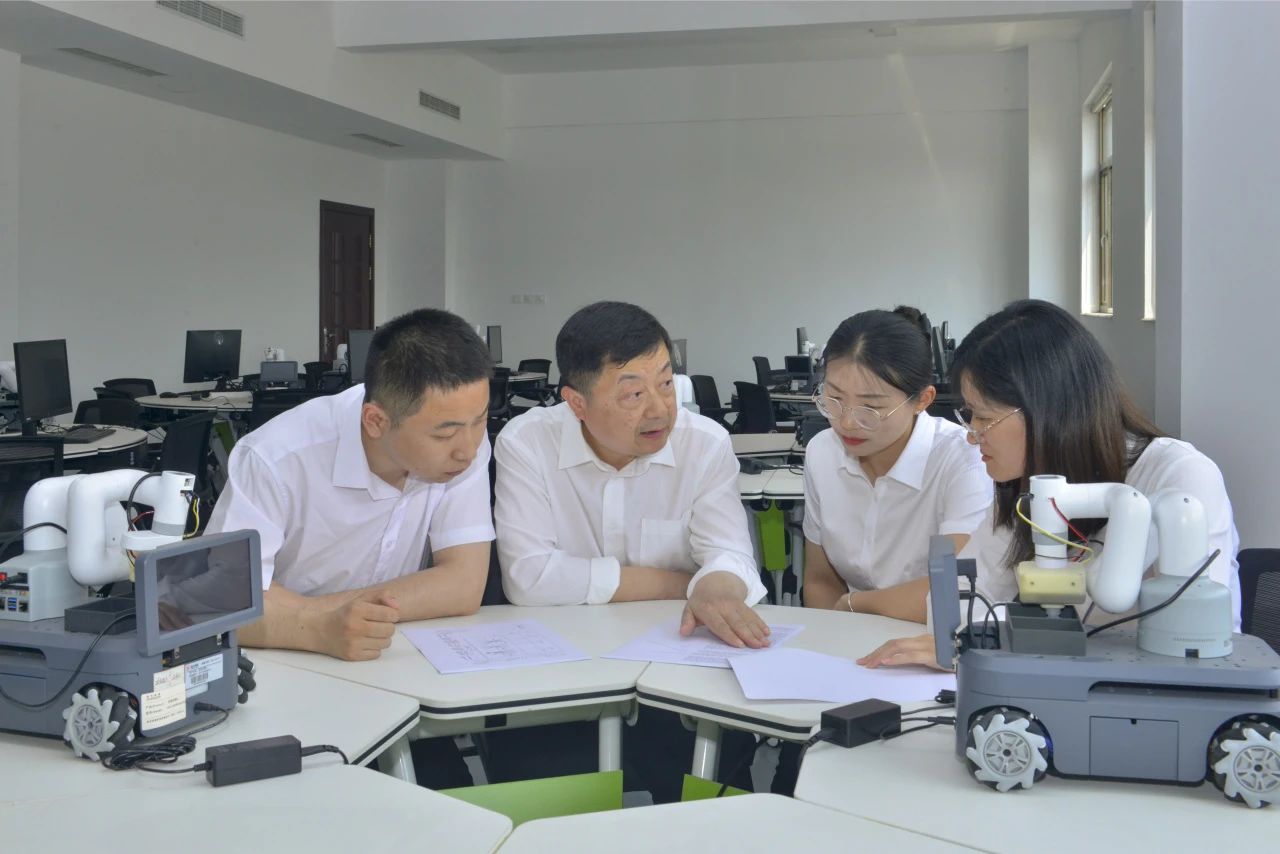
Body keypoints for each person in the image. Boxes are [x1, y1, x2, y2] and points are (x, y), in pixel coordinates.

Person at [859, 299, 1241, 669]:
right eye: (969, 416)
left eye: (984, 418)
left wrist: (999, 640)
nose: (973, 436)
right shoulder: (1029, 487)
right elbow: (958, 602)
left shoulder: (1179, 481)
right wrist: (989, 640)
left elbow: (1187, 645)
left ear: (1047, 411)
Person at [204, 307, 495, 787]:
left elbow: (463, 585)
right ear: (376, 421)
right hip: (288, 677)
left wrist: (311, 612)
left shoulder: (461, 451)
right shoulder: (278, 457)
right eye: (445, 432)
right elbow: (222, 604)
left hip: (395, 674)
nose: (468, 448)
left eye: (480, 420)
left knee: (448, 805)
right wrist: (317, 627)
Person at [489, 300, 767, 801]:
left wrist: (718, 586)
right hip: (561, 678)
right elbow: (528, 578)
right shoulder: (527, 442)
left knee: (719, 783)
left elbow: (729, 556)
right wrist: (680, 584)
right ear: (576, 403)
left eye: (666, 384)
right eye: (634, 394)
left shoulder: (704, 444)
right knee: (540, 796)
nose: (659, 409)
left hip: (675, 675)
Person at [801, 307, 991, 622]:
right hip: (850, 634)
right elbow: (820, 580)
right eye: (834, 399)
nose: (847, 422)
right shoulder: (822, 452)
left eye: (870, 407)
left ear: (922, 400)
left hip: (933, 637)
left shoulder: (962, 460)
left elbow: (955, 591)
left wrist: (853, 604)